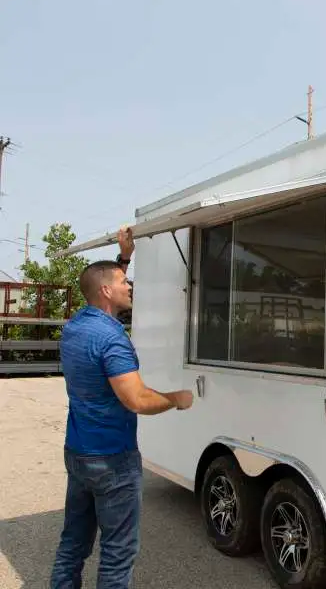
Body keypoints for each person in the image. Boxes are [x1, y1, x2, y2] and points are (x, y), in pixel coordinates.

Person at [50, 229, 194, 589]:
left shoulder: (74, 328)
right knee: (117, 554)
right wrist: (176, 398)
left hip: (79, 454)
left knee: (73, 543)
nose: (129, 286)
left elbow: (103, 287)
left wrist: (123, 258)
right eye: (123, 281)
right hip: (112, 460)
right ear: (105, 291)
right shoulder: (111, 339)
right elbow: (137, 400)